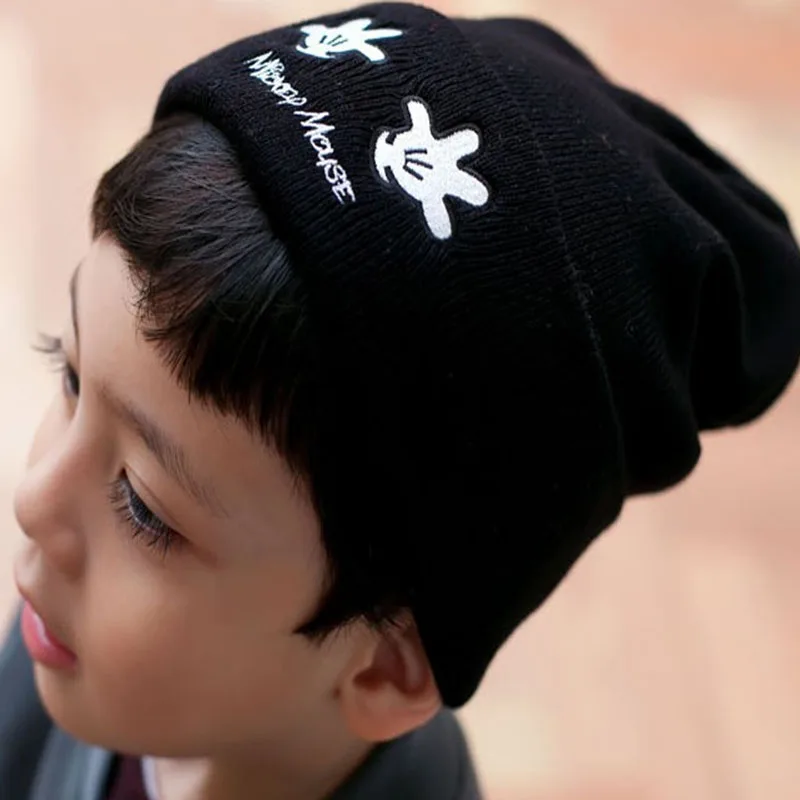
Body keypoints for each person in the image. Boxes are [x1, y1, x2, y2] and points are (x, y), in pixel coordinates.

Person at [2, 3, 799, 798]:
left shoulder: (96, 646)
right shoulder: (69, 639)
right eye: (70, 376)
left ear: (386, 665)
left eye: (144, 510)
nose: (34, 500)